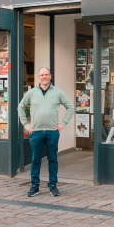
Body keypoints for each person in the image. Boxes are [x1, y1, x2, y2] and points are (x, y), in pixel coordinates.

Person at [18, 67, 74, 197]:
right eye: (42, 75)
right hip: (36, 131)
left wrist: (63, 123)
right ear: (39, 77)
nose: (44, 77)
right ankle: (34, 186)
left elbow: (70, 107)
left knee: (52, 159)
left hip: (52, 131)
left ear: (50, 76)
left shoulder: (58, 92)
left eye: (46, 74)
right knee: (35, 159)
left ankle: (53, 185)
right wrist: (26, 124)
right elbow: (21, 107)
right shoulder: (31, 93)